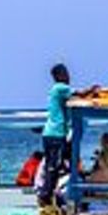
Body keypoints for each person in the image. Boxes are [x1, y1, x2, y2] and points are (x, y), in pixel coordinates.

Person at [38, 63, 73, 206]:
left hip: (51, 133)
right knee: (54, 165)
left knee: (55, 164)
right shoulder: (60, 88)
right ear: (59, 76)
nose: (69, 76)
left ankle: (50, 191)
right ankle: (46, 194)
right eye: (66, 73)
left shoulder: (56, 90)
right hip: (56, 134)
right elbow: (78, 94)